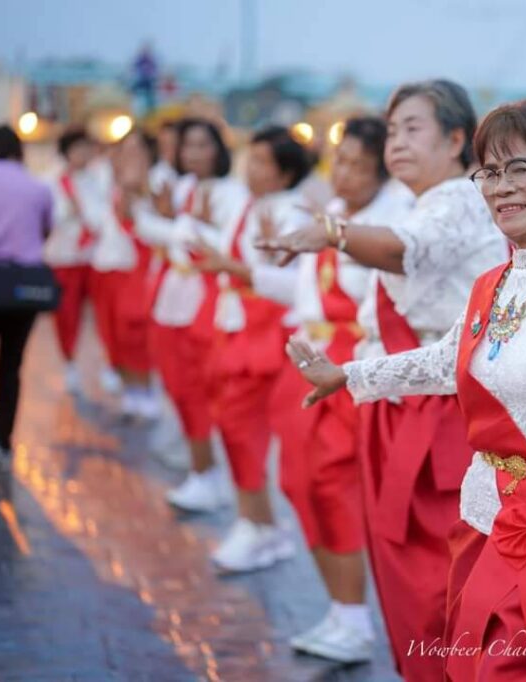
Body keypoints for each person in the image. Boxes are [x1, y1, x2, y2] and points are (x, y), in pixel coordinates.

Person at [281, 98, 526, 681]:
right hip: (490, 511)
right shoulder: (497, 280)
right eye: (489, 172)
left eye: (520, 168)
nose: (500, 187)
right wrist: (350, 376)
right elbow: (449, 359)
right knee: (466, 665)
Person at [257, 80, 507, 681]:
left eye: (413, 128)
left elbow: (408, 251)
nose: (396, 142)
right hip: (400, 394)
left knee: (434, 572)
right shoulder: (420, 202)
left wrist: (335, 233)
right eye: (392, 130)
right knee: (407, 567)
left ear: (455, 139)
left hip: (438, 411)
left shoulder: (458, 198)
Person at [256, 116, 413, 661]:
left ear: (382, 171)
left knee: (335, 485)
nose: (343, 174)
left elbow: (373, 292)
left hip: (350, 360)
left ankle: (353, 617)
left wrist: (335, 233)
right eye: (338, 160)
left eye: (357, 165)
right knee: (297, 482)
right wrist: (262, 264)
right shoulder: (333, 213)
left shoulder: (389, 222)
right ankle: (340, 610)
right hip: (309, 352)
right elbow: (308, 296)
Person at [182, 126, 319, 572]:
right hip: (239, 325)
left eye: (262, 162)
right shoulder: (254, 203)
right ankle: (258, 522)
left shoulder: (291, 212)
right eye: (251, 159)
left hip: (266, 333)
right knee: (234, 423)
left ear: (285, 173)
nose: (251, 169)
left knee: (244, 426)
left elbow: (295, 284)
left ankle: (259, 524)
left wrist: (235, 268)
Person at [132, 118, 246, 512]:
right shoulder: (182, 187)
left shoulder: (232, 193)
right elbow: (156, 232)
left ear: (219, 149)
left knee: (201, 388)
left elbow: (220, 246)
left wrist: (179, 223)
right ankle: (201, 469)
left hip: (207, 297)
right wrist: (170, 221)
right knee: (178, 384)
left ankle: (212, 474)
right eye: (187, 146)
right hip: (175, 294)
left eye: (202, 145)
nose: (194, 154)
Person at [0, 126, 53, 475]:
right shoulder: (37, 187)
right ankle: (3, 440)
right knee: (11, 366)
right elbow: (44, 230)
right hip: (23, 287)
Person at [87, 129, 159, 419]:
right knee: (113, 332)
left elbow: (131, 220)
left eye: (135, 150)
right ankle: (130, 389)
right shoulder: (106, 178)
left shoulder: (156, 183)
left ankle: (145, 390)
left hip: (136, 268)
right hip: (107, 266)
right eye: (124, 149)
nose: (128, 155)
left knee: (135, 331)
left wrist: (131, 186)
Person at [43, 126, 106, 394]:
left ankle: (107, 364)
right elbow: (48, 218)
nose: (83, 154)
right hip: (64, 256)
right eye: (78, 148)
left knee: (102, 313)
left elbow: (102, 216)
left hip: (93, 256)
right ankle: (69, 361)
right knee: (66, 313)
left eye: (87, 148)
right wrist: (69, 210)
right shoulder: (51, 180)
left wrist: (84, 213)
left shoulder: (98, 177)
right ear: (67, 151)